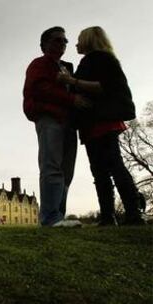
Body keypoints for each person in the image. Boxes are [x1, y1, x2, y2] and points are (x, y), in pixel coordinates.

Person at [57, 26, 145, 225]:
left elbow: (103, 86)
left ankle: (133, 213)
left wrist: (71, 80)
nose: (76, 44)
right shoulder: (91, 60)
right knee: (99, 171)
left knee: (115, 166)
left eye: (79, 39)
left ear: (89, 40)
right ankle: (108, 216)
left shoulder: (101, 58)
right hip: (91, 123)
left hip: (103, 120)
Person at [23, 26, 89, 227]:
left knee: (66, 171)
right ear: (44, 44)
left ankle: (58, 215)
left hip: (69, 122)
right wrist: (71, 99)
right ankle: (50, 217)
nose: (62, 43)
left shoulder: (67, 67)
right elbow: (40, 89)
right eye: (57, 40)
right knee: (51, 166)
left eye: (64, 41)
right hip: (50, 117)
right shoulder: (39, 64)